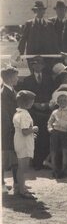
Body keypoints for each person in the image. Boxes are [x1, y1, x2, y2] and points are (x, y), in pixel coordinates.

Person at [17, 56, 54, 169]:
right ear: (32, 66)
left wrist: (47, 104)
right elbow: (24, 98)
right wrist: (35, 104)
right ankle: (37, 163)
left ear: (43, 66)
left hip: (47, 111)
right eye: (34, 64)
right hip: (33, 113)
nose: (37, 66)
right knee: (35, 137)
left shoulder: (49, 79)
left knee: (46, 136)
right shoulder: (27, 80)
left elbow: (52, 94)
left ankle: (46, 161)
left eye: (39, 64)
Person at [17, 1, 59, 72]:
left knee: (46, 77)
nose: (40, 12)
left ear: (44, 11)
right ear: (35, 11)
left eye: (42, 10)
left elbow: (54, 41)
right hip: (32, 56)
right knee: (34, 77)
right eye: (38, 10)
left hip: (47, 57)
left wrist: (58, 54)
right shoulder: (29, 24)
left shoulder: (49, 24)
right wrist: (19, 53)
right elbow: (23, 40)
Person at [13, 90, 38, 199]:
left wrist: (31, 134)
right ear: (26, 102)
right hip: (23, 143)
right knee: (23, 167)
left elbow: (23, 131)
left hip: (20, 141)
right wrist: (34, 129)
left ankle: (21, 186)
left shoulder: (18, 112)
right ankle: (22, 191)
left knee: (21, 167)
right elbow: (25, 131)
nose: (32, 103)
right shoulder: (24, 114)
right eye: (31, 101)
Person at [47, 91, 67, 178]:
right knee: (53, 151)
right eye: (61, 100)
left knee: (65, 152)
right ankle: (54, 170)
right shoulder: (55, 112)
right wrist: (50, 129)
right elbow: (50, 122)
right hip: (55, 133)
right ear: (58, 102)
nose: (63, 102)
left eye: (65, 100)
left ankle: (63, 170)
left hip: (65, 134)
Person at [1, 66, 19, 194]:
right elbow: (4, 114)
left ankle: (16, 183)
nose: (17, 78)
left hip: (14, 128)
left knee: (14, 156)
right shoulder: (3, 93)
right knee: (4, 156)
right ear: (9, 78)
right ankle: (2, 183)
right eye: (15, 76)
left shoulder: (13, 90)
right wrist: (10, 128)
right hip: (7, 130)